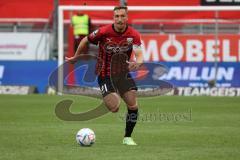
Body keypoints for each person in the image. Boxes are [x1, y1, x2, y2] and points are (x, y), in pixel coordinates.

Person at [66, 6, 143, 146]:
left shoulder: (134, 35)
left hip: (123, 74)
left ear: (127, 17)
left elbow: (139, 54)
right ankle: (111, 93)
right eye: (117, 16)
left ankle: (127, 137)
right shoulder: (103, 31)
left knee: (133, 105)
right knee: (115, 108)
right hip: (105, 73)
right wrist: (76, 57)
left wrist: (138, 63)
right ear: (113, 18)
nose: (119, 19)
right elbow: (85, 40)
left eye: (122, 16)